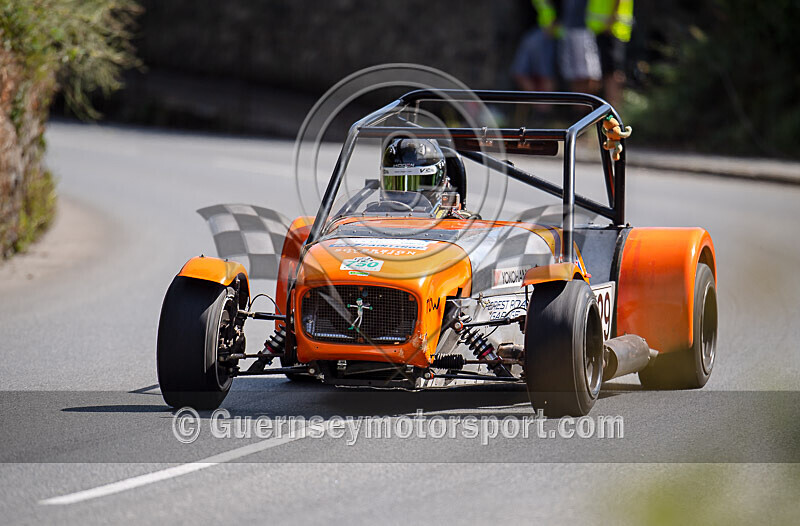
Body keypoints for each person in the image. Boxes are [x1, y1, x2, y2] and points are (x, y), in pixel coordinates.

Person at [586, 0, 634, 107]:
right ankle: (611, 109)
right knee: (609, 72)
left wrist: (610, 21)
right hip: (605, 30)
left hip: (611, 31)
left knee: (612, 73)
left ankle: (613, 110)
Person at [510, 0, 562, 94]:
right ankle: (537, 102)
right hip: (532, 32)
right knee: (520, 73)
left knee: (546, 75)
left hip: (549, 33)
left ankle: (544, 104)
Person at [559, 0, 602, 94]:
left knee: (587, 75)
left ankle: (589, 105)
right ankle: (580, 105)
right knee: (574, 75)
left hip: (583, 32)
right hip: (569, 31)